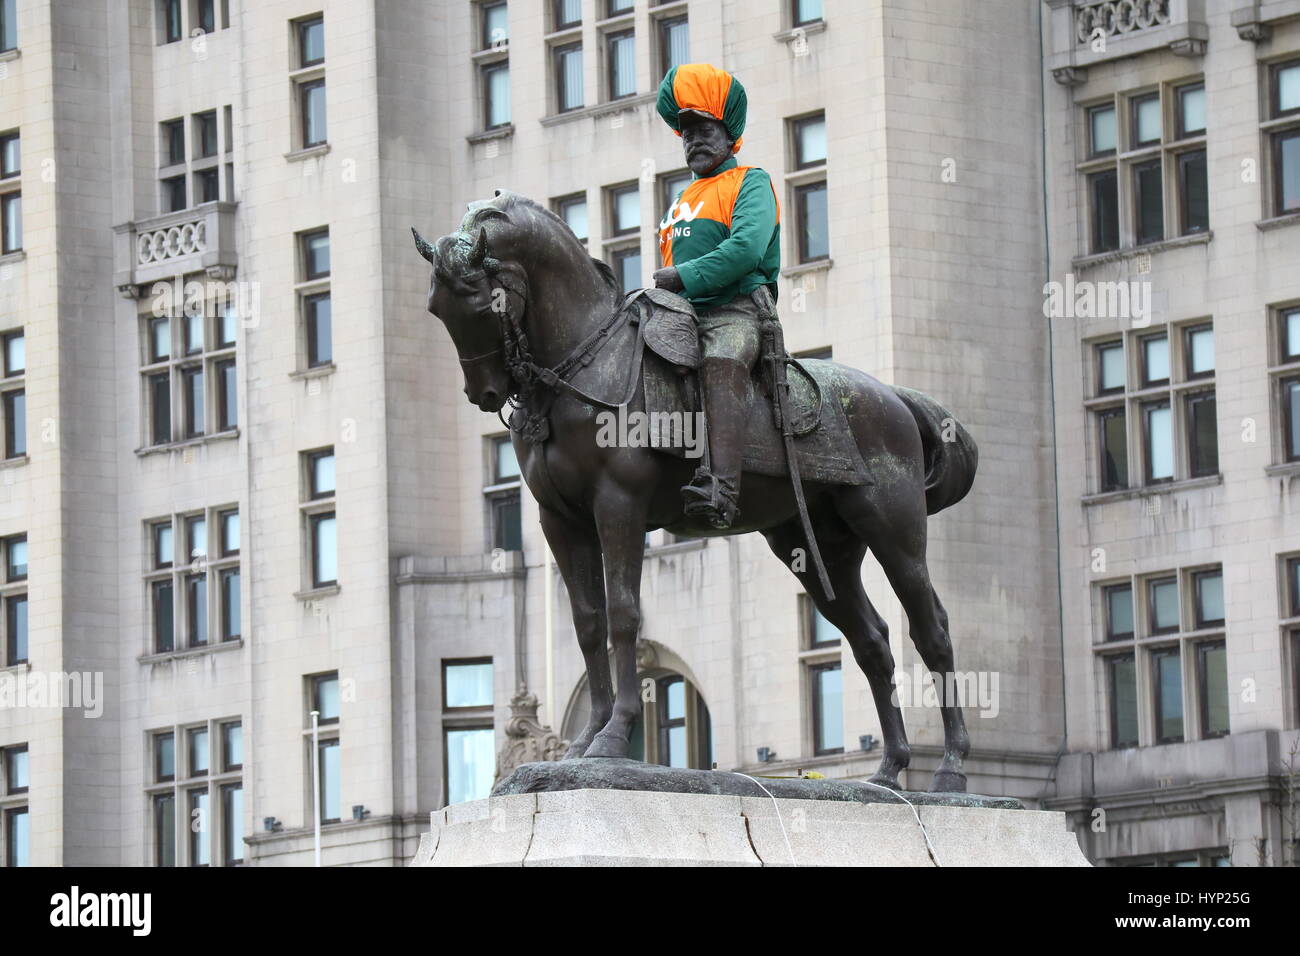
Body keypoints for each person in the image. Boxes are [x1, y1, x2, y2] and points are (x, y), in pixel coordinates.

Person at [652, 62, 780, 530]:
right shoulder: (680, 202)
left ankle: (721, 488)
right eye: (686, 132)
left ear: (729, 135)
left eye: (704, 129)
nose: (693, 140)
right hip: (681, 312)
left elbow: (745, 250)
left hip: (736, 311)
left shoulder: (751, 181)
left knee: (722, 361)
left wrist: (682, 276)